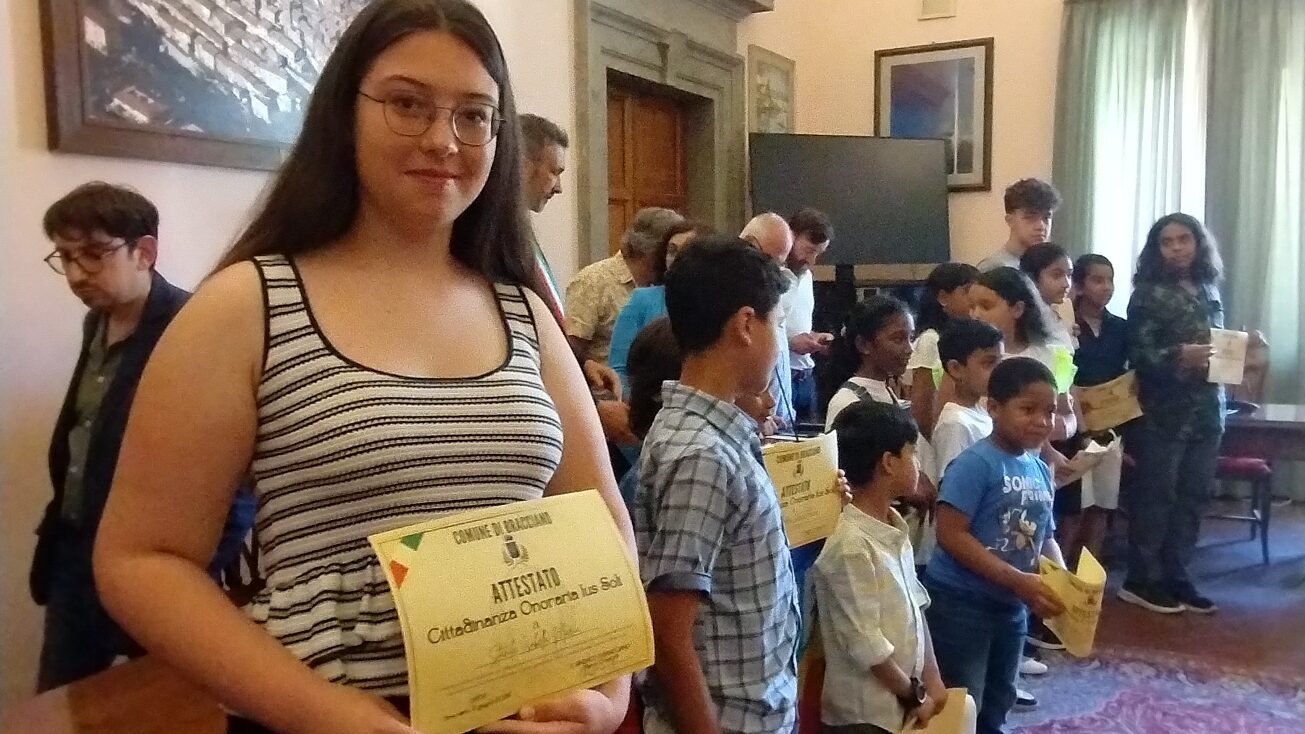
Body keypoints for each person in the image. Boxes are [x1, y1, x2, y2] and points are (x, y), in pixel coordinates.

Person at [92, 3, 633, 734]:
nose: (442, 139)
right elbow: (141, 558)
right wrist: (332, 714)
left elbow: (600, 520)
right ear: (343, 113)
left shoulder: (524, 313)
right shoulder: (248, 306)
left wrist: (608, 688)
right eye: (407, 104)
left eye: (474, 116)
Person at [30, 182, 255, 692]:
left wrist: (195, 568)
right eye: (65, 257)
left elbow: (238, 480)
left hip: (161, 568)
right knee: (62, 706)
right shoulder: (97, 322)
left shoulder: (197, 326)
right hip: (76, 558)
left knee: (165, 706)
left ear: (145, 252)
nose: (76, 274)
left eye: (94, 254)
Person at [633, 237, 799, 734]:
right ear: (746, 325)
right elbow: (669, 633)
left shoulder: (714, 435)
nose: (780, 340)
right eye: (778, 323)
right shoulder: (702, 455)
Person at [924, 358, 1068, 734]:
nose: (1042, 421)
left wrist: (1064, 581)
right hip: (961, 604)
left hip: (1011, 606)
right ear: (993, 408)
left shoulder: (1038, 469)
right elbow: (951, 534)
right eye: (1028, 409)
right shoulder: (975, 464)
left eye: (1050, 411)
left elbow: (1046, 536)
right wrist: (1016, 579)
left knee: (1000, 693)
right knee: (962, 697)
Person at [813, 401, 950, 734]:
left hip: (902, 702)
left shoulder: (893, 526)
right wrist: (914, 695)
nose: (918, 463)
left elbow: (915, 605)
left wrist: (932, 676)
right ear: (889, 463)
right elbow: (865, 643)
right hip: (865, 715)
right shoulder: (849, 543)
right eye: (913, 453)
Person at [1120, 213, 1225, 615]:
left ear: (1198, 244)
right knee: (1156, 496)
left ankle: (1177, 575)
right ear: (1157, 249)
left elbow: (1219, 344)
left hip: (1208, 410)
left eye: (1184, 239)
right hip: (1163, 412)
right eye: (1168, 242)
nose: (1177, 248)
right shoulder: (1147, 295)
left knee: (1194, 495)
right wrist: (1180, 355)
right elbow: (1139, 355)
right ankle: (1141, 579)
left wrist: (1240, 353)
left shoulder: (1209, 287)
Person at [1060, 254, 1129, 568]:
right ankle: (1062, 574)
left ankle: (1090, 575)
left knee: (1102, 504)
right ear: (1079, 285)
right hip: (1074, 428)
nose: (1106, 287)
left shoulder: (1121, 328)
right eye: (1097, 280)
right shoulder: (1066, 326)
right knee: (1074, 508)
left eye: (1110, 280)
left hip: (1111, 428)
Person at [969, 268, 1078, 443]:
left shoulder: (1051, 355)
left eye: (986, 306)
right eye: (972, 307)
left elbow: (1067, 414)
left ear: (1017, 309)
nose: (975, 314)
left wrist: (1064, 427)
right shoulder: (968, 359)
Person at [566, 206, 684, 366]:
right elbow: (572, 348)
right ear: (656, 248)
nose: (680, 257)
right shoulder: (594, 280)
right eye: (672, 250)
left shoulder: (668, 286)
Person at [608, 220, 714, 391]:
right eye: (672, 250)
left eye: (686, 251)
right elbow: (619, 368)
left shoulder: (718, 302)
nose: (676, 258)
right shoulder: (642, 300)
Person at [908, 263, 980, 440]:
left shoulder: (971, 337)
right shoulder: (931, 339)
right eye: (967, 290)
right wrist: (938, 440)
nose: (974, 299)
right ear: (943, 297)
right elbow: (922, 406)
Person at [741, 212, 797, 431]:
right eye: (768, 261)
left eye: (779, 263)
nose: (773, 272)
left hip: (780, 423)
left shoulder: (775, 290)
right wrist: (756, 419)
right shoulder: (734, 303)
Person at [783, 207, 836, 423]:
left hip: (806, 377)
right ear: (791, 236)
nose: (811, 261)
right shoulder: (769, 277)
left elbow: (795, 325)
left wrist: (814, 337)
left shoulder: (806, 277)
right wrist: (789, 343)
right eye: (808, 250)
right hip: (781, 376)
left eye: (817, 254)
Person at [977, 179, 1061, 273]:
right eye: (1030, 217)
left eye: (1046, 217)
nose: (1041, 226)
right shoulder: (995, 268)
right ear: (1010, 220)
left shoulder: (1049, 268)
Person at [1019, 242, 1076, 350]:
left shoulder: (1055, 313)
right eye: (1056, 275)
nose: (1066, 284)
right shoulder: (1024, 320)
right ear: (1032, 277)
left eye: (1069, 275)